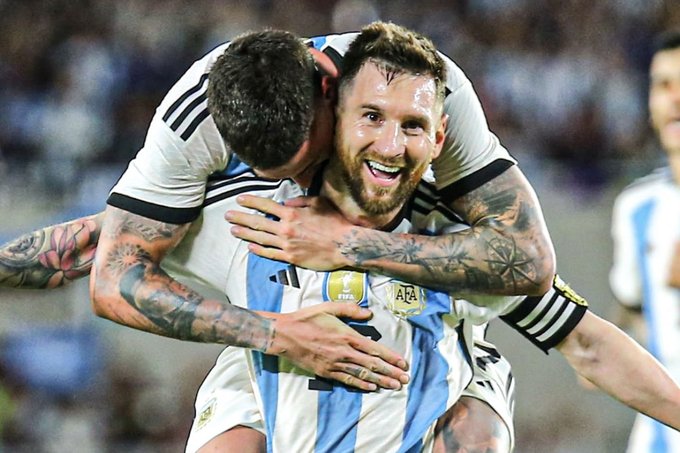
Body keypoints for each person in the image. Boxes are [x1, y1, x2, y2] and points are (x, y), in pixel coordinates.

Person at [610, 30, 680, 453]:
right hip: (659, 437)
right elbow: (634, 307)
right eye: (663, 85)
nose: (675, 98)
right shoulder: (636, 207)